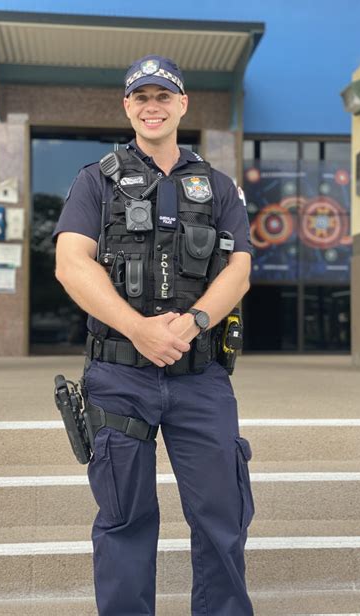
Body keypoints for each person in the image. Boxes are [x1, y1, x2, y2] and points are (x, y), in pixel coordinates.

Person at [54, 54, 255, 616]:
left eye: (163, 96)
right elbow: (72, 263)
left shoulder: (217, 187)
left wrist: (193, 324)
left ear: (182, 104)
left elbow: (238, 269)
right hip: (119, 374)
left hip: (200, 376)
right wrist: (138, 329)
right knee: (124, 519)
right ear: (127, 107)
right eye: (141, 97)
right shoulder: (95, 181)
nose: (152, 106)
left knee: (222, 515)